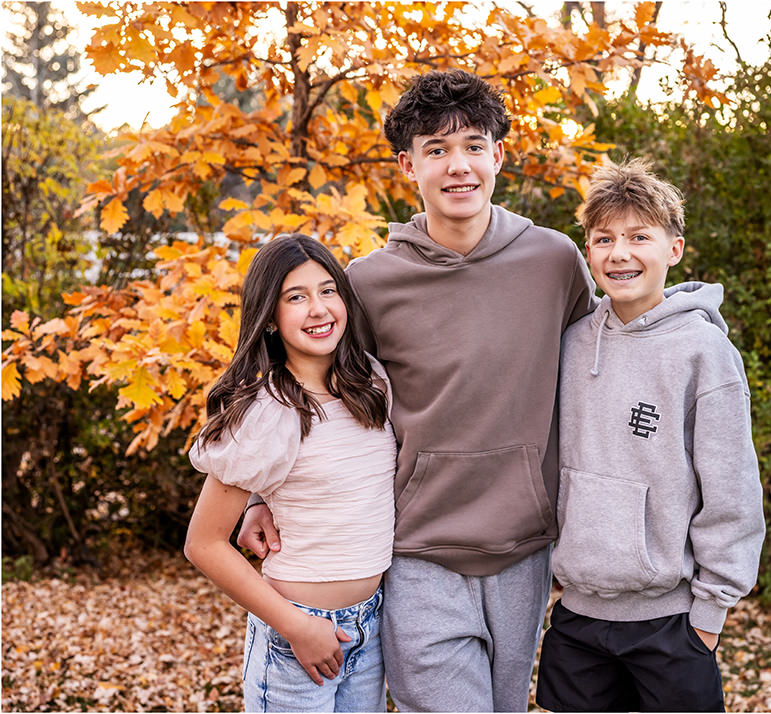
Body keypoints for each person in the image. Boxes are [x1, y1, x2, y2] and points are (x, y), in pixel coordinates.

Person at [238, 69, 598, 712]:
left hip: (525, 544)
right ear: (408, 165)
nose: (458, 166)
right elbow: (328, 393)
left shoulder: (555, 261)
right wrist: (265, 494)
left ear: (499, 156)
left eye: (473, 146)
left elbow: (596, 373)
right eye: (436, 149)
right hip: (414, 547)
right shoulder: (368, 283)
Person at [535, 159, 766, 712]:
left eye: (639, 237)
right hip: (578, 616)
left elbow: (731, 491)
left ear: (674, 249)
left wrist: (708, 618)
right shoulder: (568, 344)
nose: (620, 253)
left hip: (671, 623)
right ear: (587, 250)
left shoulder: (703, 353)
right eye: (604, 238)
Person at [185, 234, 397, 712]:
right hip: (295, 633)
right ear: (270, 320)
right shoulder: (265, 410)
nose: (318, 309)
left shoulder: (371, 381)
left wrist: (260, 499)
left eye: (328, 290)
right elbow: (203, 544)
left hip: (371, 626)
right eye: (295, 298)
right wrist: (298, 627)